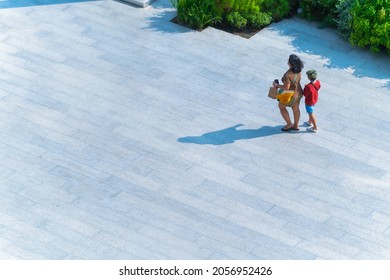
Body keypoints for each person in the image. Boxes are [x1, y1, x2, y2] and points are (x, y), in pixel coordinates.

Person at [273, 54, 304, 131]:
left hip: (290, 95)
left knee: (281, 107)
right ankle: (296, 126)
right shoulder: (299, 69)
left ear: (291, 63)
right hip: (299, 92)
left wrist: (277, 85)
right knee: (296, 109)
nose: (287, 62)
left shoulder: (288, 75)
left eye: (288, 61)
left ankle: (289, 124)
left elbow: (286, 88)